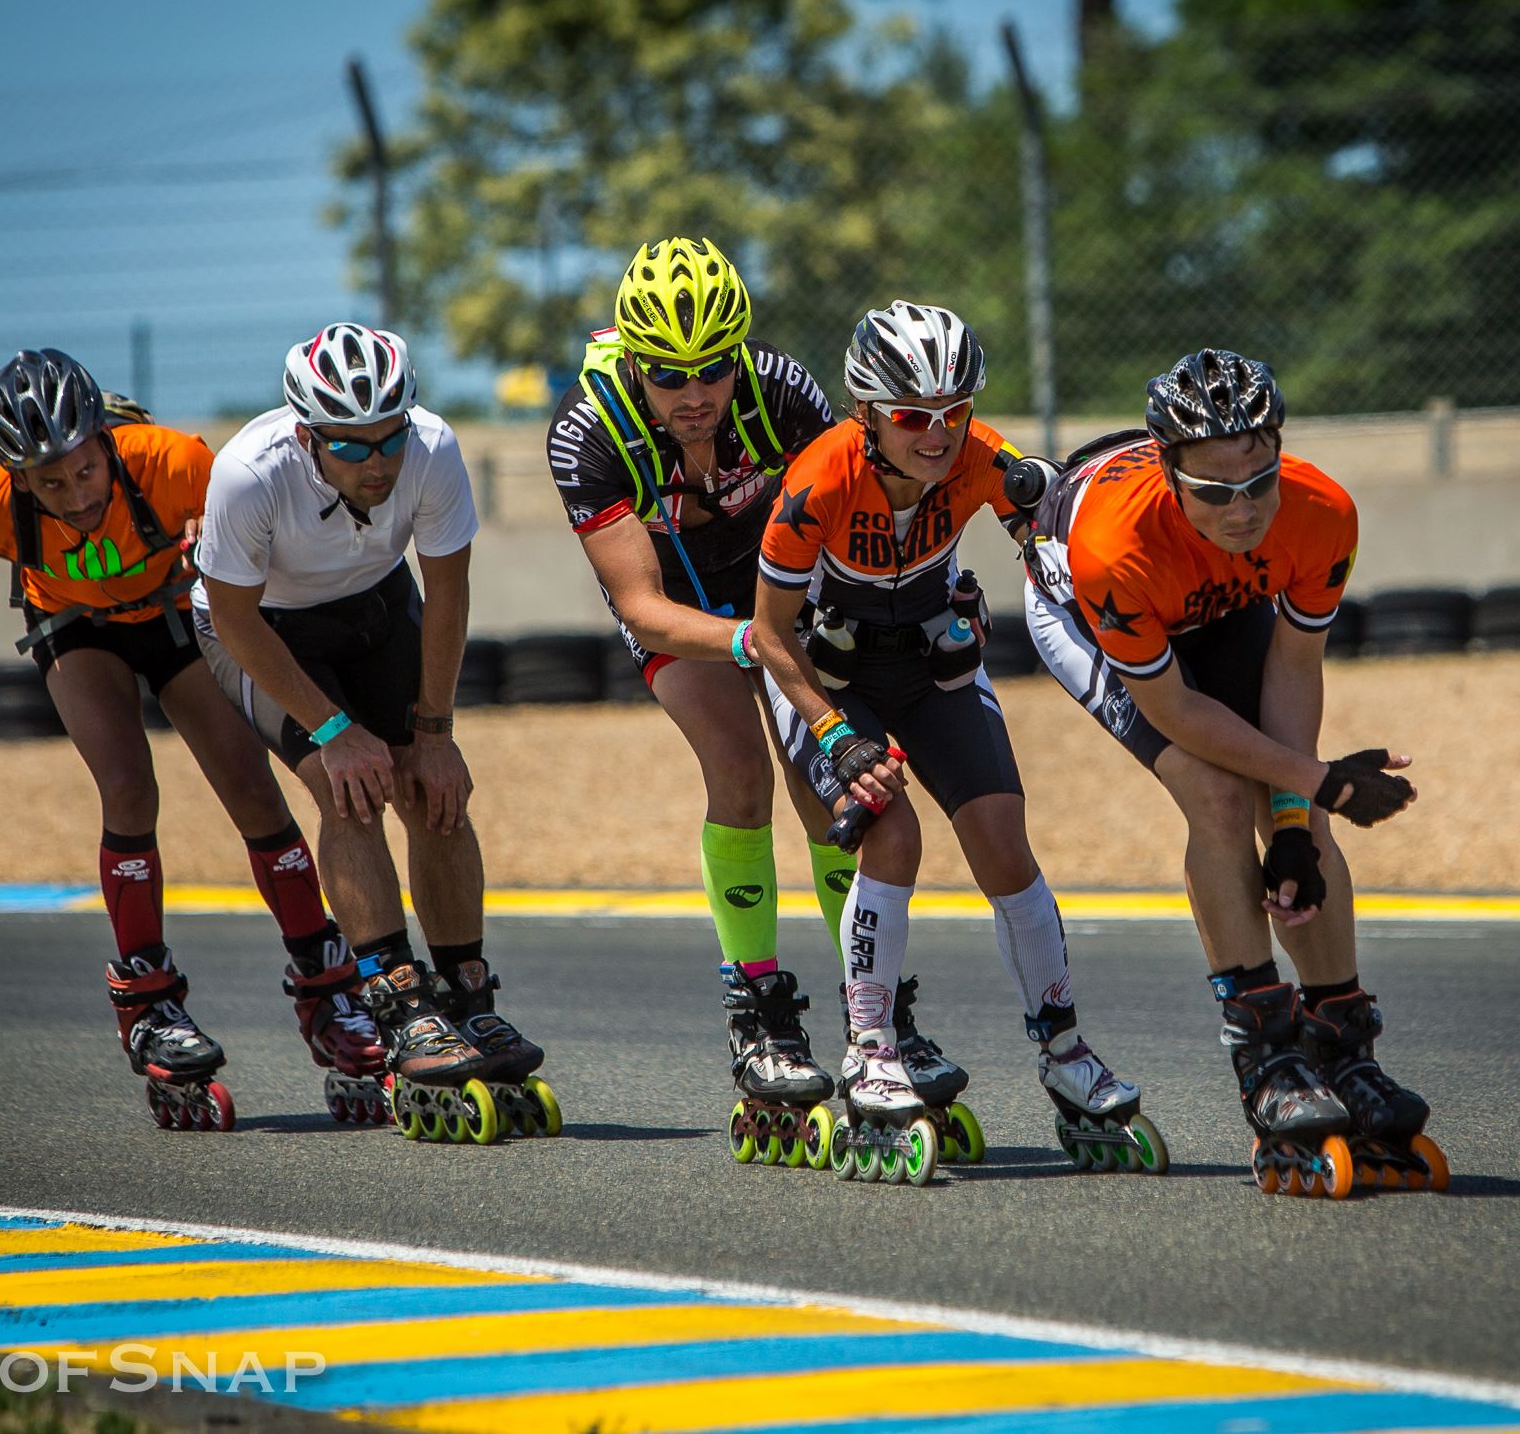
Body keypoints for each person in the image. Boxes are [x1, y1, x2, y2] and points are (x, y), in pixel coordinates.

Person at [750, 301, 1163, 1184]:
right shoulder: (816, 482)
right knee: (893, 831)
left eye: (955, 411)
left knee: (1003, 838)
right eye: (912, 417)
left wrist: (1046, 544)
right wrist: (830, 732)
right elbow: (769, 635)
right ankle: (871, 1049)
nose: (937, 435)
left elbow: (1053, 512)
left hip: (930, 660)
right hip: (826, 675)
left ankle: (1064, 1050)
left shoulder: (980, 455)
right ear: (867, 413)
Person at [1015, 346, 1441, 1198]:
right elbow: (1178, 712)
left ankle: (1341, 1042)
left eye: (1259, 481)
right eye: (1215, 490)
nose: (1243, 509)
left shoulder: (1321, 511)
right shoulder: (1112, 546)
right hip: (1090, 612)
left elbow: (1292, 670)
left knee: (1301, 816)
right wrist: (1317, 778)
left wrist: (1294, 820)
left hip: (1215, 599)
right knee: (1213, 792)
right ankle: (1266, 1054)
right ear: (1170, 472)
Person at [0, 349, 372, 1131]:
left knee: (251, 787)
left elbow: (262, 519)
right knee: (128, 787)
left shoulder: (175, 464)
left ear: (108, 442)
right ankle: (147, 1004)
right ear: (17, 480)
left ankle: (327, 985)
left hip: (173, 612)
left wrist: (220, 532)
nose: (76, 496)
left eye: (85, 470)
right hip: (76, 630)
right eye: (50, 484)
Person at [195, 321, 556, 1144]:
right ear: (307, 438)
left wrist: (435, 733)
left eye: (390, 438)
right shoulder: (249, 475)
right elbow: (234, 620)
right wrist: (331, 729)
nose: (379, 463)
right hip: (264, 629)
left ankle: (466, 993)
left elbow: (448, 592)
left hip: (377, 605)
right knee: (349, 788)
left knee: (434, 789)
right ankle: (398, 999)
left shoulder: (433, 447)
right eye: (353, 448)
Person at [545, 236, 858, 1161]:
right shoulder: (588, 431)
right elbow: (640, 605)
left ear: (740, 355)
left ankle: (872, 1010)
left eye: (714, 369)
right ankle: (757, 1010)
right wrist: (748, 643)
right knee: (739, 768)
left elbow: (850, 515)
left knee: (828, 782)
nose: (695, 394)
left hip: (778, 580)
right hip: (676, 600)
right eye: (668, 374)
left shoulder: (783, 390)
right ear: (633, 364)